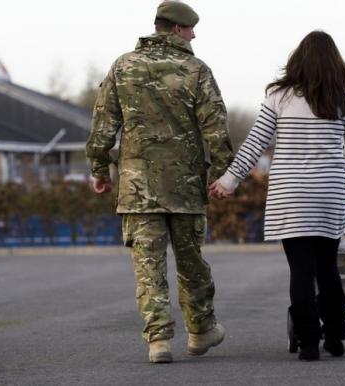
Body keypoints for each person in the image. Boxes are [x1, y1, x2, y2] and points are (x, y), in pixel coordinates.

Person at [86, 1, 234, 364]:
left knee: (148, 268)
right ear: (176, 29)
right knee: (191, 262)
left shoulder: (123, 66)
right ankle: (200, 333)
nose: (194, 34)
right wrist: (222, 174)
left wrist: (99, 170)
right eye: (190, 28)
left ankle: (159, 342)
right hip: (184, 188)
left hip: (137, 190)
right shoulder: (197, 69)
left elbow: (104, 123)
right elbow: (215, 126)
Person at [209, 31, 345, 361]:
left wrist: (229, 180)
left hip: (290, 196)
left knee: (301, 271)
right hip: (328, 194)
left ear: (298, 60)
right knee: (328, 268)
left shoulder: (279, 97)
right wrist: (342, 159)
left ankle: (309, 343)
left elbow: (254, 143)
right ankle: (335, 336)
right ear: (336, 62)